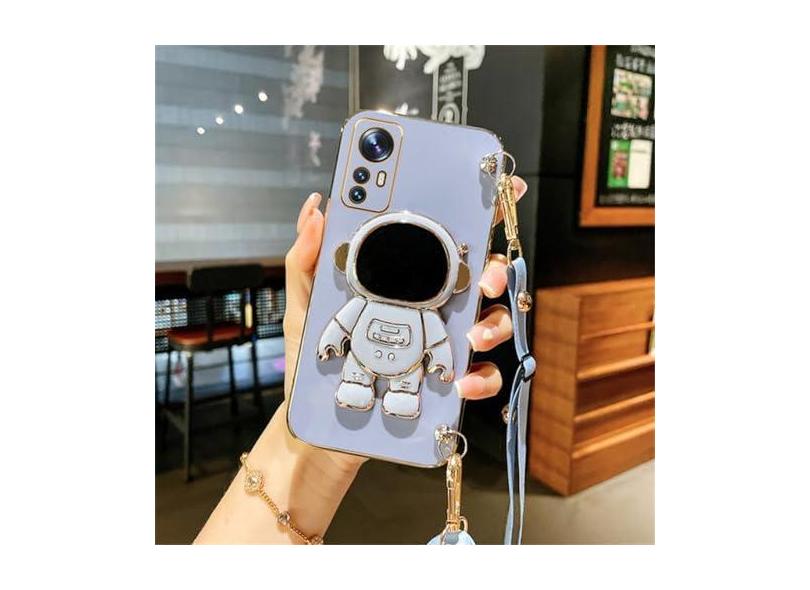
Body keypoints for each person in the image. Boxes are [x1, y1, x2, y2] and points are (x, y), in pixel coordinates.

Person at [195, 177, 527, 544]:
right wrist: (327, 352)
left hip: (402, 369)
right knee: (362, 378)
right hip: (366, 363)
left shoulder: (419, 315)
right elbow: (341, 326)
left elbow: (432, 342)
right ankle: (367, 388)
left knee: (401, 385)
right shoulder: (384, 308)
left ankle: (395, 393)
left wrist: (441, 365)